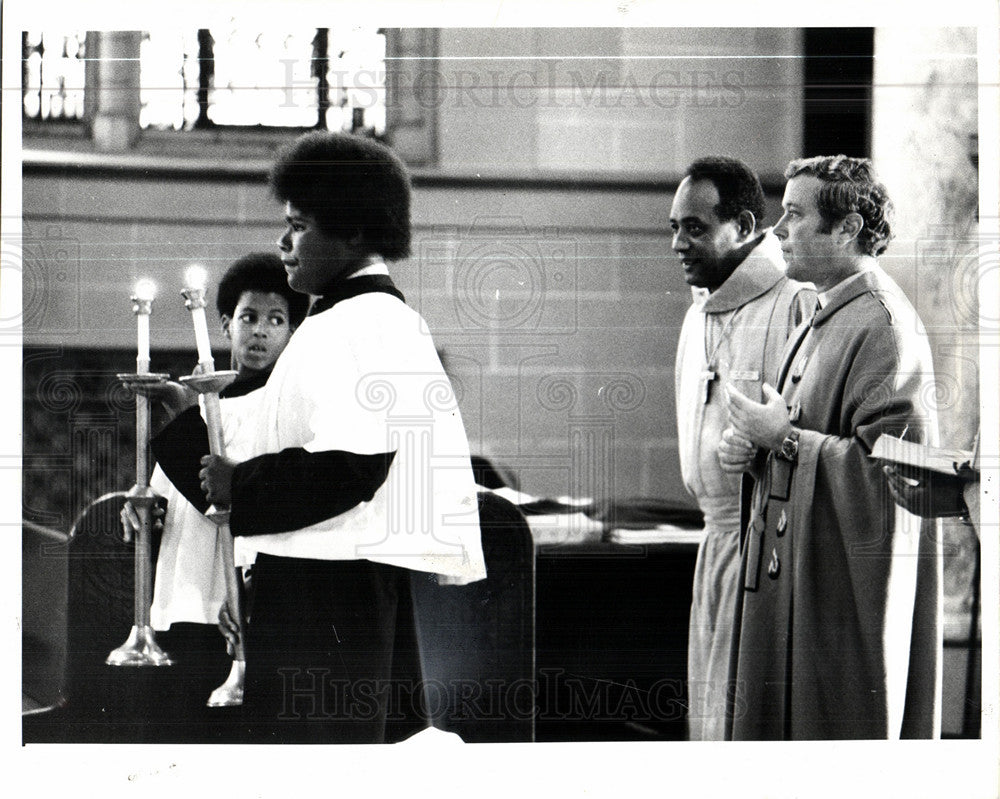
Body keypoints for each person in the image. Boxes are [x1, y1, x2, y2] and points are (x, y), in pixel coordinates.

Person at [155, 131, 486, 744]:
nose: (283, 243)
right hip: (332, 586)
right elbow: (291, 435)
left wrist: (237, 480)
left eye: (299, 225)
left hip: (329, 597)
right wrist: (191, 429)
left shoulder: (361, 322)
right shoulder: (348, 316)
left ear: (355, 233)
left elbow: (350, 467)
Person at [719, 155, 942, 739]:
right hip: (792, 586)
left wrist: (785, 439)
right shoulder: (819, 313)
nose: (778, 231)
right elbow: (797, 438)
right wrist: (752, 452)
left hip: (834, 601)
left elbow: (895, 481)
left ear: (847, 228)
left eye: (794, 215)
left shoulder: (882, 325)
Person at [669, 156, 815, 741]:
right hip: (715, 539)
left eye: (695, 228)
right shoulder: (698, 310)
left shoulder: (794, 303)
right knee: (709, 723)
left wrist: (761, 448)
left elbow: (808, 427)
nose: (678, 243)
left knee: (745, 726)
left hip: (765, 547)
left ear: (747, 224)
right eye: (673, 227)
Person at [123, 253, 309, 631]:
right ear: (226, 325)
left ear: (291, 333)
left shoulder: (285, 405)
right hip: (185, 582)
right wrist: (145, 511)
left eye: (276, 320)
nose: (260, 331)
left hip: (235, 590)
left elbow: (240, 498)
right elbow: (172, 495)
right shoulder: (208, 403)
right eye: (248, 317)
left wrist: (183, 414)